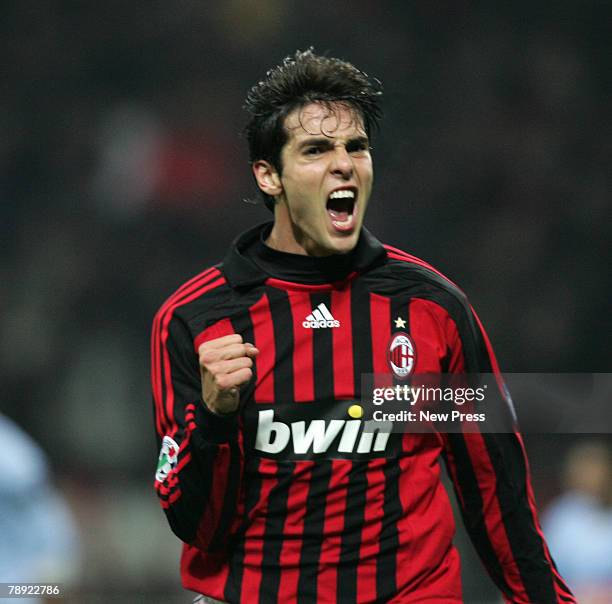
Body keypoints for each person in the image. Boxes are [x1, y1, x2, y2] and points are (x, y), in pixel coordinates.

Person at [151, 50, 575, 603]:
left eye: (356, 147)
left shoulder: (433, 309)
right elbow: (194, 525)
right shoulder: (193, 320)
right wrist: (214, 418)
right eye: (316, 150)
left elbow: (495, 487)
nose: (344, 163)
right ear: (269, 175)